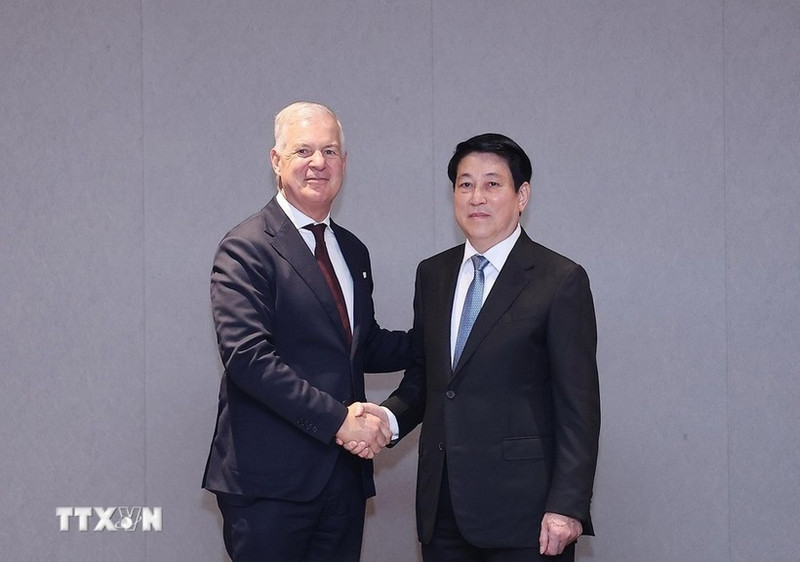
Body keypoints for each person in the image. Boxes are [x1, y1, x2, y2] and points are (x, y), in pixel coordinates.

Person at [364, 133, 601, 560]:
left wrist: (567, 506)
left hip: (526, 516)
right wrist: (385, 419)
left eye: (493, 184)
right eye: (465, 183)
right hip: (443, 509)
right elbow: (430, 379)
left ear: (522, 194)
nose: (477, 196)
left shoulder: (560, 279)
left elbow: (579, 407)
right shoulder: (433, 275)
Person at [202, 101, 410, 561]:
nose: (318, 163)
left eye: (330, 151)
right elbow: (248, 360)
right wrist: (341, 421)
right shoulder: (247, 247)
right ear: (276, 161)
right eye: (303, 151)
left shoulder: (353, 251)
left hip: (341, 483)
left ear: (345, 163)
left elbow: (360, 345)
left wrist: (446, 336)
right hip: (268, 486)